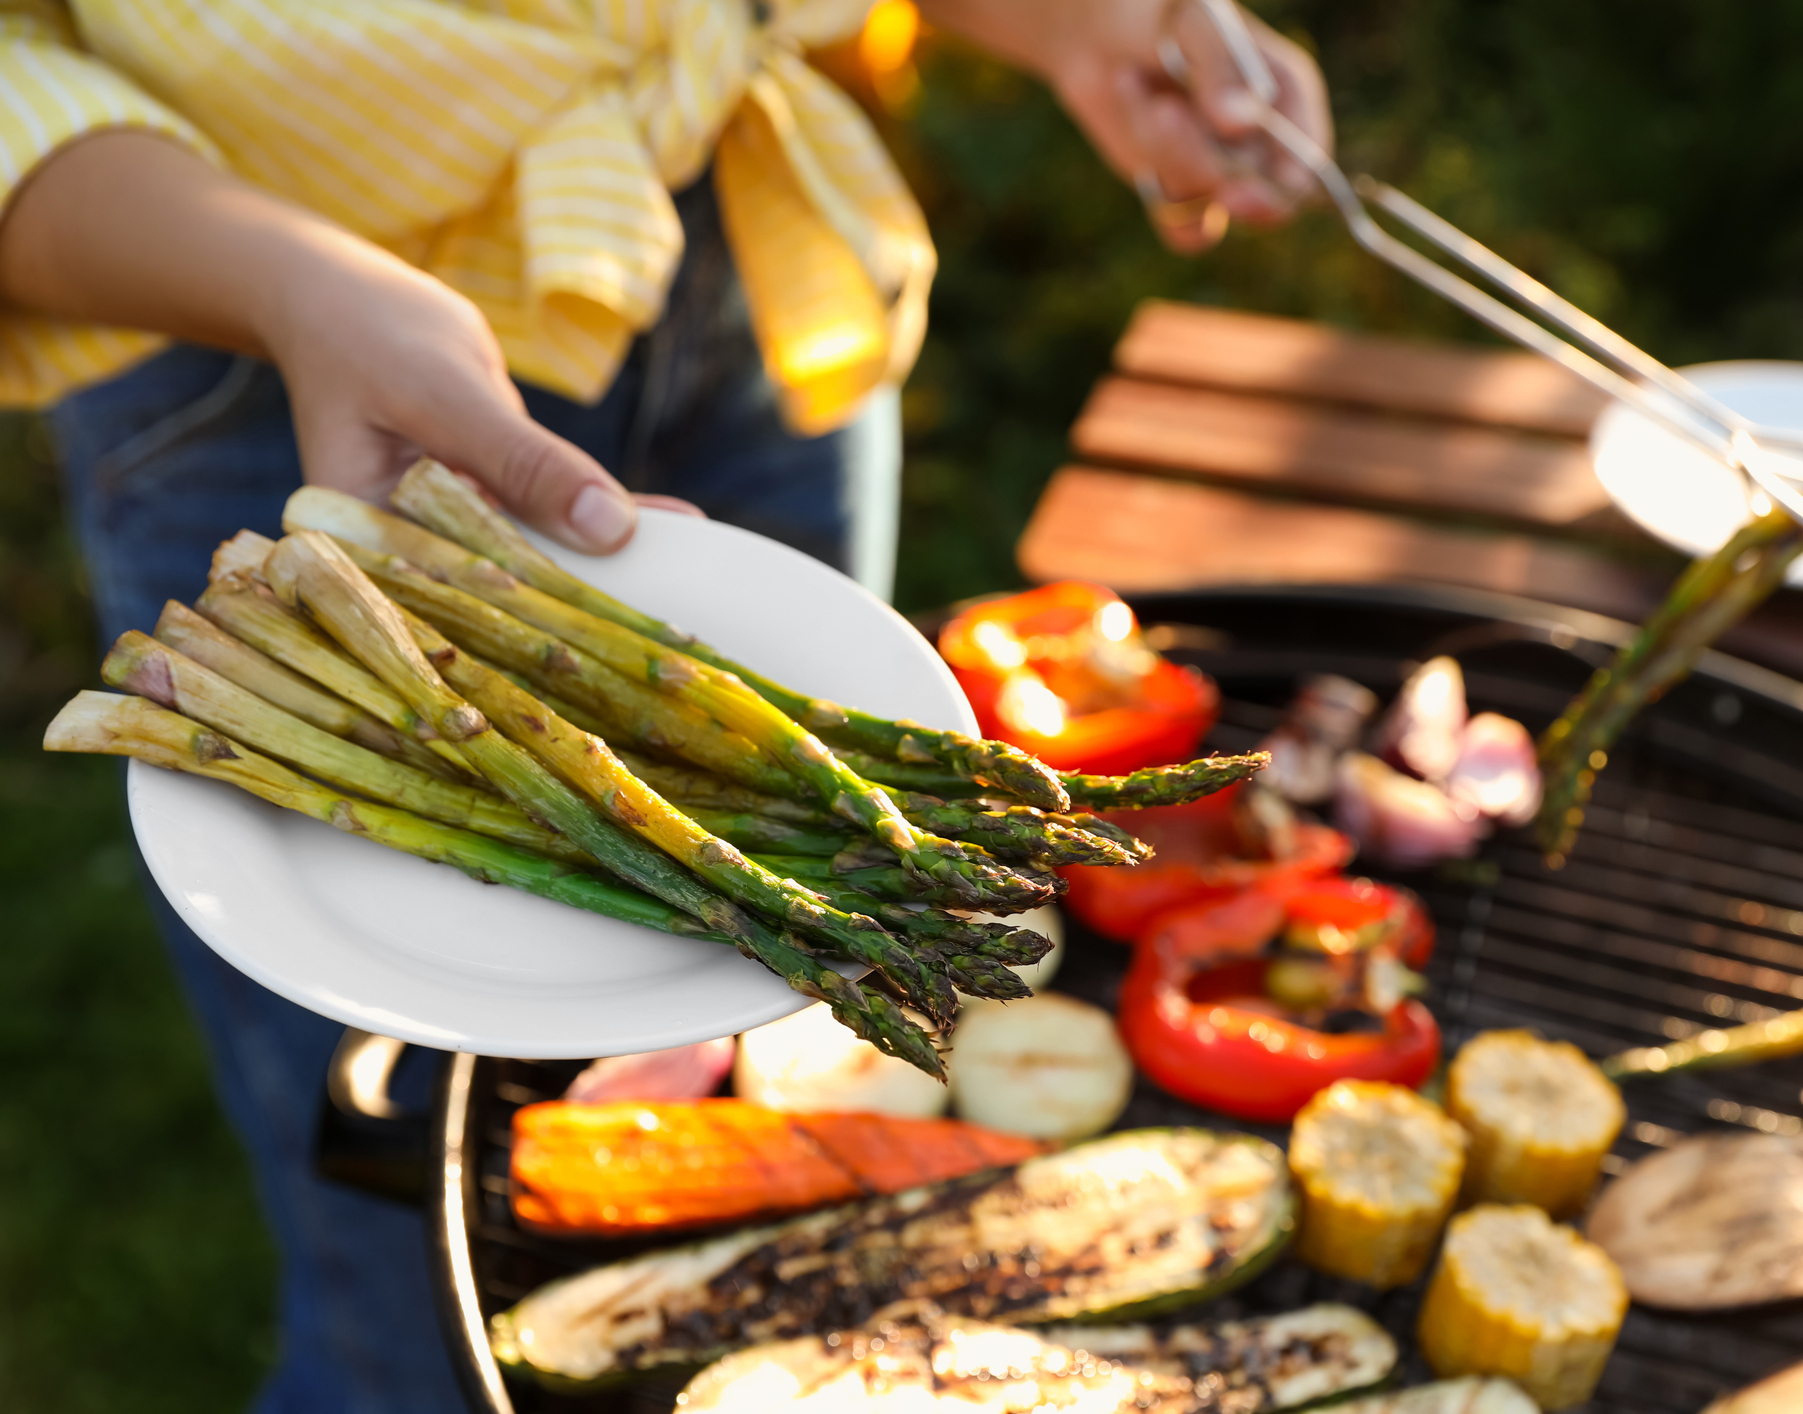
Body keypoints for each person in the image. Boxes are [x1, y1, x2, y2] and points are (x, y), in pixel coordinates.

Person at [0, 2, 1330, 1409]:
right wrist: (289, 283)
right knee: (399, 1257)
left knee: (738, 978)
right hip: (229, 312)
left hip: (729, 235)